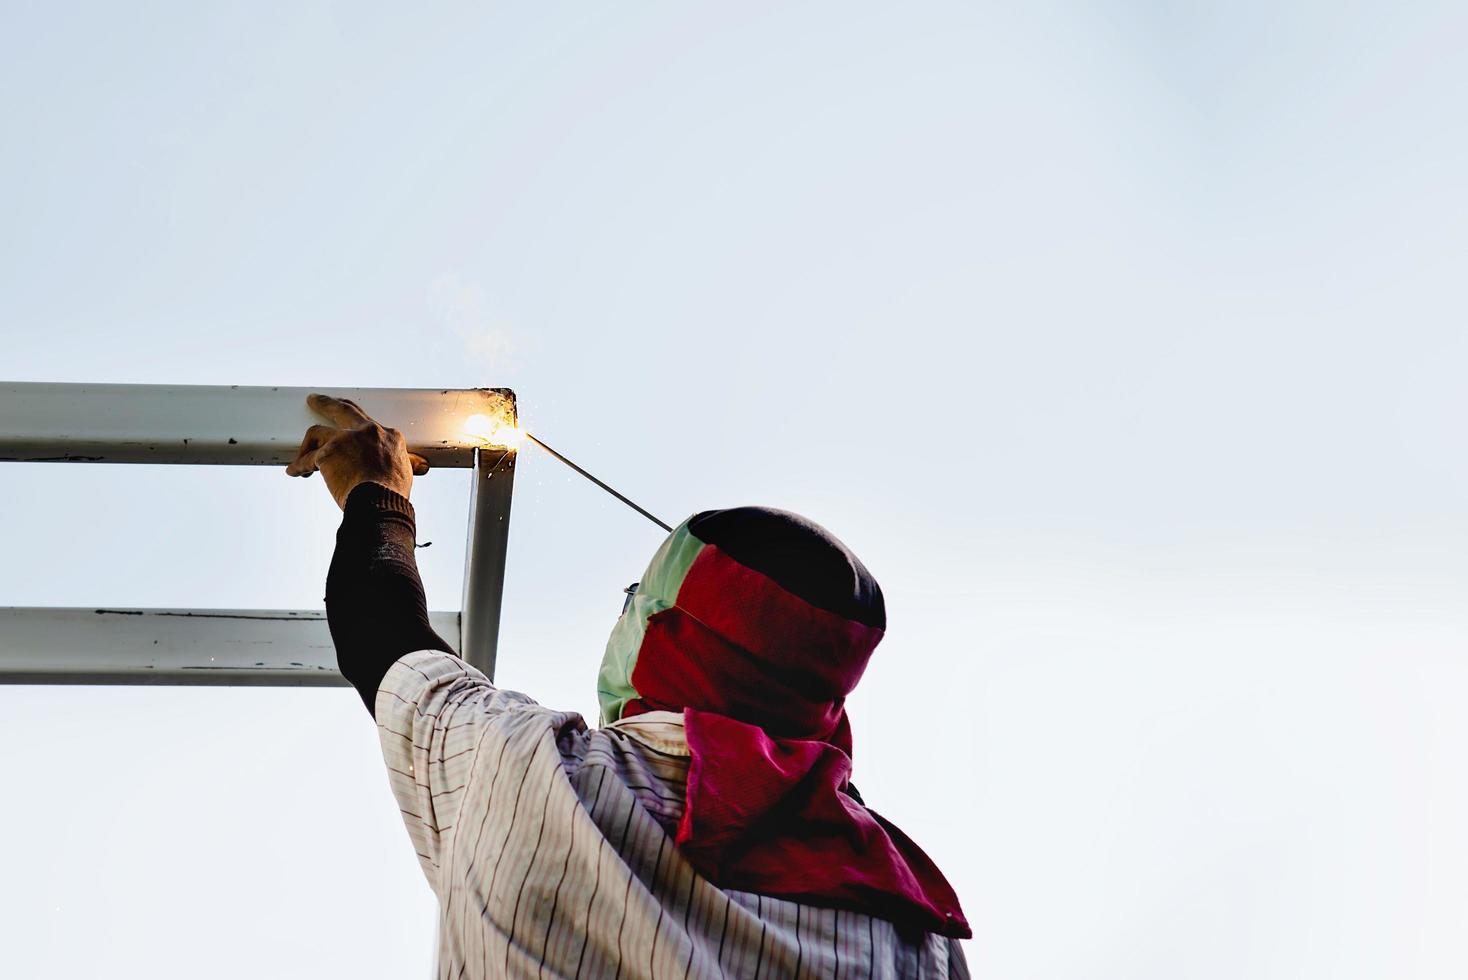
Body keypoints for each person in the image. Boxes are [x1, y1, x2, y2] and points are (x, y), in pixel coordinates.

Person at [288, 393, 971, 979]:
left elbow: (382, 634)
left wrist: (376, 493)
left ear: (669, 638)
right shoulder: (917, 922)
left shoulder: (544, 772)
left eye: (635, 600)